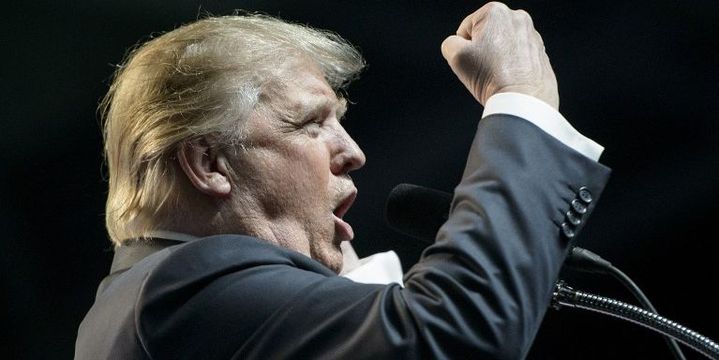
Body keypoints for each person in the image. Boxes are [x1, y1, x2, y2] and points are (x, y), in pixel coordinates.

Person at [75, 2, 611, 359]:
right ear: (209, 164)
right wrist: (521, 102)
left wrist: (354, 298)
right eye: (311, 124)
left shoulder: (139, 301)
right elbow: (459, 331)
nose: (353, 153)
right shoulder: (184, 286)